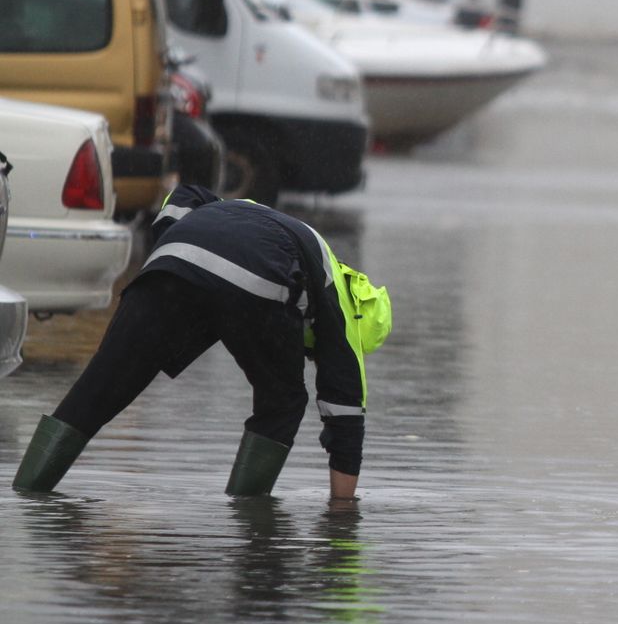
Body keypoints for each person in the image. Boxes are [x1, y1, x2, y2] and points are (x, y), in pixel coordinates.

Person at [11, 184, 390, 499]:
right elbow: (345, 417)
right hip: (257, 277)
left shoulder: (254, 212)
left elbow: (185, 193)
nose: (312, 356)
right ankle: (248, 514)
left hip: (168, 265)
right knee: (283, 402)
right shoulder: (341, 307)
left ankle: (27, 495)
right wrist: (342, 514)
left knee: (102, 385)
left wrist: (168, 245)